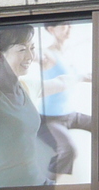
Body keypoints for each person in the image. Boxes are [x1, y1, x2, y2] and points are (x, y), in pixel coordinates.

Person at [0, 25, 47, 188]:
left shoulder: (27, 87)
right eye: (22, 49)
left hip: (37, 185)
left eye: (32, 48)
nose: (30, 56)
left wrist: (84, 76)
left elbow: (60, 82)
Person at [36, 22, 92, 180]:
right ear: (51, 29)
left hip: (70, 115)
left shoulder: (67, 53)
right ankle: (47, 185)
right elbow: (35, 56)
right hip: (50, 119)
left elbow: (75, 77)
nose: (69, 28)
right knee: (69, 150)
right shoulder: (46, 54)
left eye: (70, 25)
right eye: (63, 25)